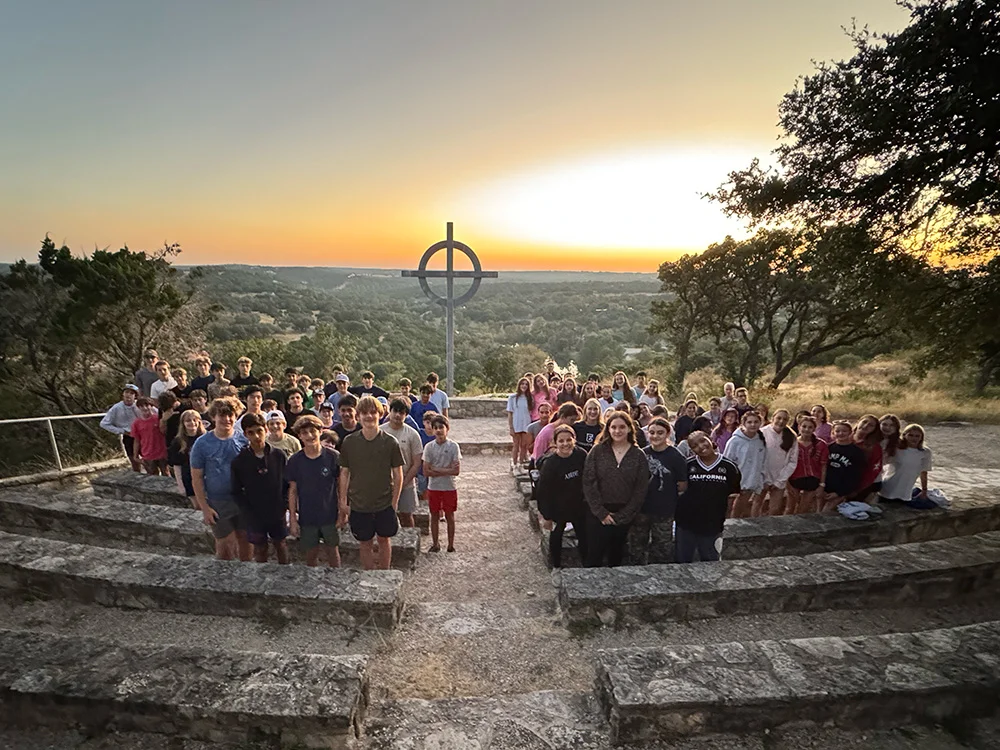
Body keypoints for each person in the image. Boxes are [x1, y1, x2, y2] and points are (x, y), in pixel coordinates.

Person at [339, 396, 404, 569]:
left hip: (384, 503)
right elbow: (344, 473)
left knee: (384, 540)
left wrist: (394, 502)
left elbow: (398, 474)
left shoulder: (390, 442)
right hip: (359, 504)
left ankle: (384, 574)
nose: (369, 416)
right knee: (364, 543)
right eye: (365, 413)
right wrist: (343, 502)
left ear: (380, 414)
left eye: (373, 412)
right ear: (358, 415)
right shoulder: (349, 442)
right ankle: (368, 574)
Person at [582, 411, 649, 567]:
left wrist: (623, 516)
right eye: (613, 427)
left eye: (622, 427)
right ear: (608, 429)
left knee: (617, 554)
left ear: (629, 429)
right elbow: (588, 482)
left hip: (624, 512)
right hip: (597, 512)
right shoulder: (597, 451)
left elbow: (640, 489)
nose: (617, 431)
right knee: (594, 554)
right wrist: (601, 513)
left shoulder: (638, 455)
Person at [190, 396, 251, 561]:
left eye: (230, 415)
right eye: (222, 415)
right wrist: (204, 508)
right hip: (218, 502)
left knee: (246, 541)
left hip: (243, 500)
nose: (227, 419)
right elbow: (196, 478)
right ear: (213, 416)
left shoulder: (244, 440)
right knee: (225, 546)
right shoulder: (202, 444)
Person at [674, 431, 742, 563]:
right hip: (686, 523)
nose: (701, 446)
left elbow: (732, 497)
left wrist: (722, 518)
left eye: (703, 440)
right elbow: (680, 491)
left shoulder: (729, 467)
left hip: (713, 525)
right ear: (692, 450)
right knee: (683, 562)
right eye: (694, 445)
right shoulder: (688, 465)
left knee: (711, 562)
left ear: (710, 439)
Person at [231, 413, 289, 564]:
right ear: (245, 434)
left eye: (259, 431)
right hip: (254, 515)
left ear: (266, 430)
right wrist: (247, 511)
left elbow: (287, 484)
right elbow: (236, 491)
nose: (256, 436)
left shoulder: (279, 456)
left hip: (277, 512)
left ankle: (287, 579)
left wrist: (284, 505)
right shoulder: (239, 462)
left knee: (281, 546)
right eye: (251, 432)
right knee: (260, 549)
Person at [629, 417, 688, 565]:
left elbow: (682, 485)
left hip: (664, 510)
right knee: (637, 546)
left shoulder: (676, 457)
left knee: (662, 547)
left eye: (660, 433)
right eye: (652, 432)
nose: (655, 436)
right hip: (641, 509)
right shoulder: (641, 454)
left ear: (667, 434)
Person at [286, 414, 342, 567]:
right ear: (299, 436)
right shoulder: (295, 461)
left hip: (330, 514)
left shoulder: (333, 457)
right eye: (304, 433)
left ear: (320, 431)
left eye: (313, 431)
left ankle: (337, 582)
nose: (310, 435)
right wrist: (292, 518)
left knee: (333, 550)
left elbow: (341, 486)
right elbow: (292, 490)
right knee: (311, 553)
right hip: (307, 516)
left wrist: (343, 510)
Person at [535, 425, 589, 568]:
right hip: (557, 506)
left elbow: (589, 479)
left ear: (574, 440)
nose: (565, 444)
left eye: (568, 440)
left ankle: (586, 565)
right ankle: (556, 566)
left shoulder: (581, 455)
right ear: (555, 442)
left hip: (578, 505)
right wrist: (546, 515)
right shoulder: (550, 463)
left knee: (584, 536)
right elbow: (543, 491)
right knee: (556, 536)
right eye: (561, 441)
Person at [381, 398, 424, 528]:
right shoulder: (380, 432)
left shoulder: (412, 434)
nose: (398, 415)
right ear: (390, 411)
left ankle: (410, 542)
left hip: (406, 483)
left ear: (406, 415)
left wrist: (403, 482)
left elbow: (416, 463)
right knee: (382, 516)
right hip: (383, 483)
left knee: (406, 515)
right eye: (395, 411)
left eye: (402, 412)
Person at [421, 414, 462, 553]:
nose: (438, 430)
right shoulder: (429, 447)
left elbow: (456, 471)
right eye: (435, 428)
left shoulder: (453, 446)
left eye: (441, 427)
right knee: (434, 515)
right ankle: (435, 543)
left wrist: (436, 469)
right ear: (432, 430)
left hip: (449, 487)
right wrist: (447, 470)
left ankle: (451, 544)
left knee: (450, 515)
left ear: (447, 429)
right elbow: (426, 471)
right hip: (434, 487)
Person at [723, 411, 767, 518]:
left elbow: (762, 461)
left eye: (756, 422)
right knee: (728, 509)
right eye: (750, 422)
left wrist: (759, 479)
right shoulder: (734, 441)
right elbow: (727, 461)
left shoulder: (760, 441)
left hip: (750, 481)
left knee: (740, 509)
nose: (753, 425)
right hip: (735, 482)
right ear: (744, 424)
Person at [758, 409, 799, 516]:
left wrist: (780, 480)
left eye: (784, 419)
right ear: (773, 418)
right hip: (762, 478)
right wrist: (764, 478)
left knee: (775, 509)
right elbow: (756, 457)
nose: (781, 421)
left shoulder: (791, 437)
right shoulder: (761, 433)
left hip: (779, 479)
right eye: (778, 418)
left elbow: (792, 461)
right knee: (757, 505)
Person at [786, 415, 829, 514]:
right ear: (799, 427)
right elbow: (786, 463)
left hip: (812, 479)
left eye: (810, 427)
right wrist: (787, 483)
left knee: (803, 509)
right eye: (804, 426)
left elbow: (823, 465)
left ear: (814, 428)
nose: (806, 429)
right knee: (789, 507)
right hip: (794, 478)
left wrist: (822, 484)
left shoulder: (821, 445)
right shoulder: (793, 443)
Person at [820, 421, 866, 511]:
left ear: (851, 432)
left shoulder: (857, 452)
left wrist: (839, 493)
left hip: (841, 491)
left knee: (826, 512)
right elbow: (821, 469)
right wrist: (821, 487)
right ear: (833, 433)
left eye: (844, 431)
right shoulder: (828, 448)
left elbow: (855, 476)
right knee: (817, 513)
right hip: (824, 489)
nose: (840, 433)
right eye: (837, 431)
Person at [880, 424, 932, 502]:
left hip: (906, 491)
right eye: (910, 435)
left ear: (921, 437)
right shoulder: (897, 448)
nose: (914, 438)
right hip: (888, 487)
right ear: (904, 435)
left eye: (917, 436)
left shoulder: (925, 452)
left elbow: (924, 472)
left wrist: (924, 490)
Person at [168, 409, 205, 508]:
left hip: (206, 478)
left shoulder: (206, 438)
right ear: (183, 423)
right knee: (197, 507)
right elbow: (176, 466)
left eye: (194, 420)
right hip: (188, 478)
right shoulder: (178, 442)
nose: (192, 423)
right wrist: (181, 486)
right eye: (188, 420)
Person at [100, 384, 141, 472]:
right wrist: (121, 431)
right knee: (134, 460)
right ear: (123, 394)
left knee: (148, 460)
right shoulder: (116, 408)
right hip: (129, 436)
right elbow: (104, 423)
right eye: (126, 392)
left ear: (135, 396)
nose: (128, 395)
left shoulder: (139, 406)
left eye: (131, 393)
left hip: (142, 436)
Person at [130, 397, 168, 475]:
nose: (144, 408)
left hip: (162, 453)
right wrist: (135, 455)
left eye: (147, 405)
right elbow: (136, 440)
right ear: (138, 408)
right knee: (152, 476)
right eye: (141, 406)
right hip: (148, 454)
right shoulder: (136, 423)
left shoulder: (158, 418)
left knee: (166, 474)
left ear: (151, 406)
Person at [851, 414, 884, 503]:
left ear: (874, 430)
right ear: (858, 422)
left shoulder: (874, 447)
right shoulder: (845, 438)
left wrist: (858, 489)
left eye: (871, 425)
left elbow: (873, 471)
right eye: (864, 422)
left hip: (861, 487)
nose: (866, 426)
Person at [507, 377, 534, 467]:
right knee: (516, 445)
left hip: (526, 424)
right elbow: (510, 413)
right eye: (522, 384)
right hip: (516, 423)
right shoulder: (513, 398)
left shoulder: (530, 398)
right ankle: (514, 463)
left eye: (526, 384)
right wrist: (511, 427)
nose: (524, 386)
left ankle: (521, 463)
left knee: (524, 445)